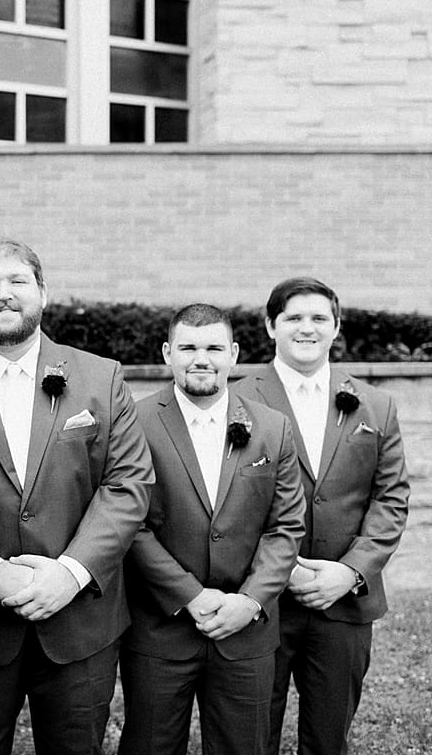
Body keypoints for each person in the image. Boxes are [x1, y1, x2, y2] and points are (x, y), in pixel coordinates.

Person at [0, 237, 154, 755]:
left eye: (17, 280)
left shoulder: (100, 377)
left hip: (80, 621)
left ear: (43, 292)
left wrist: (70, 573)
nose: (3, 293)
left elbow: (127, 484)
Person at [233, 277, 410, 755]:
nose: (306, 328)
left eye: (318, 318)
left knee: (329, 738)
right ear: (271, 326)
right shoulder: (236, 400)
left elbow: (390, 497)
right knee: (250, 735)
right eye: (293, 318)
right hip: (260, 599)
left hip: (344, 602)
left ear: (336, 327)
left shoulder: (377, 404)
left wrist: (351, 572)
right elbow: (228, 499)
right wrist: (279, 569)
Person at [118, 303, 305, 755]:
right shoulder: (133, 423)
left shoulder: (273, 428)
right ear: (167, 353)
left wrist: (251, 601)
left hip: (247, 630)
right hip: (160, 628)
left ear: (234, 353)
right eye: (188, 347)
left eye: (214, 348)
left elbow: (286, 527)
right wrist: (190, 596)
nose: (201, 358)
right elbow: (130, 524)